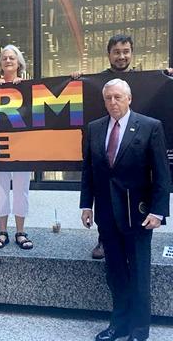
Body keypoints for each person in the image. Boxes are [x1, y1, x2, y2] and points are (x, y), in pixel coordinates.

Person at [80, 78, 170, 341]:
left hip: (138, 214)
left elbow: (162, 174)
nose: (113, 102)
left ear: (129, 98)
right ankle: (118, 325)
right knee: (115, 272)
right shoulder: (95, 128)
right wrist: (86, 204)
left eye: (118, 97)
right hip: (107, 215)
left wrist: (158, 211)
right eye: (108, 98)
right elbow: (89, 171)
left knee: (140, 274)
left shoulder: (150, 126)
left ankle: (139, 330)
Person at [73, 34, 173, 259]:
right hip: (105, 144)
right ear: (109, 55)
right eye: (116, 52)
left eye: (126, 51)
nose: (121, 56)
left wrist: (166, 77)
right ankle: (104, 239)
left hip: (135, 148)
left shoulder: (146, 78)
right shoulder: (96, 80)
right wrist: (77, 79)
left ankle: (134, 238)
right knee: (104, 189)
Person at [0, 45, 33, 250]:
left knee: (21, 189)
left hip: (23, 145)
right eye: (5, 58)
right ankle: (2, 231)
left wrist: (21, 88)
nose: (8, 61)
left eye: (12, 58)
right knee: (1, 189)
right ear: (0, 63)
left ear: (19, 63)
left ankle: (20, 232)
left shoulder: (29, 86)